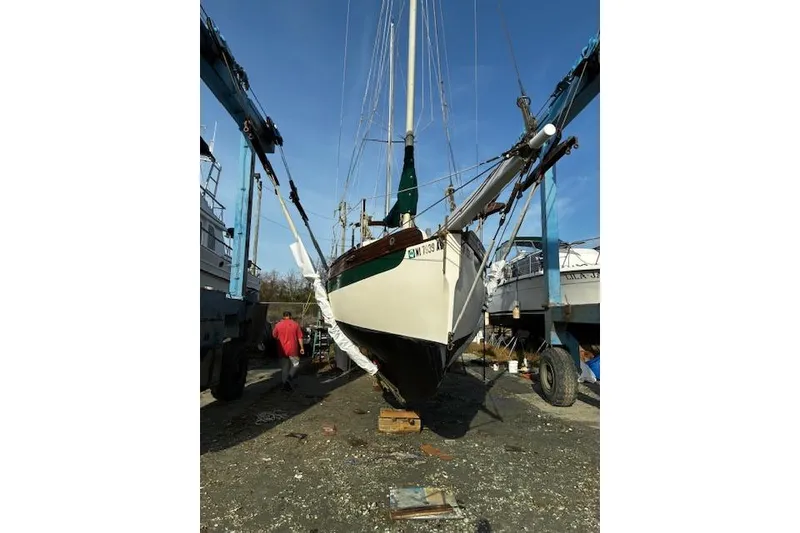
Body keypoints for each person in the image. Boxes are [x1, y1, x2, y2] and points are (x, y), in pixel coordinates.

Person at [272, 311, 305, 391]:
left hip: (282, 349)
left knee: (284, 368)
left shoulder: (278, 325)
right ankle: (289, 378)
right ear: (290, 316)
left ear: (283, 316)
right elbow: (300, 337)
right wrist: (302, 348)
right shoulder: (295, 324)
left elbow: (274, 335)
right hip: (293, 349)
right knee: (296, 364)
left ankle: (284, 385)